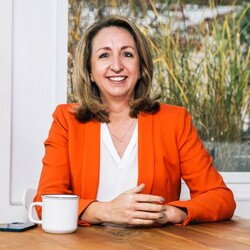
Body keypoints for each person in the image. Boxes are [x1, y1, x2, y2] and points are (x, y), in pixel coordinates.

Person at [34, 15, 236, 227]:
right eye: (104, 55)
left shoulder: (174, 121)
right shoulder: (67, 120)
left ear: (140, 68)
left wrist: (170, 213)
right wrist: (106, 211)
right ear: (90, 71)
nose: (117, 66)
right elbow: (43, 203)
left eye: (127, 54)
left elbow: (221, 198)